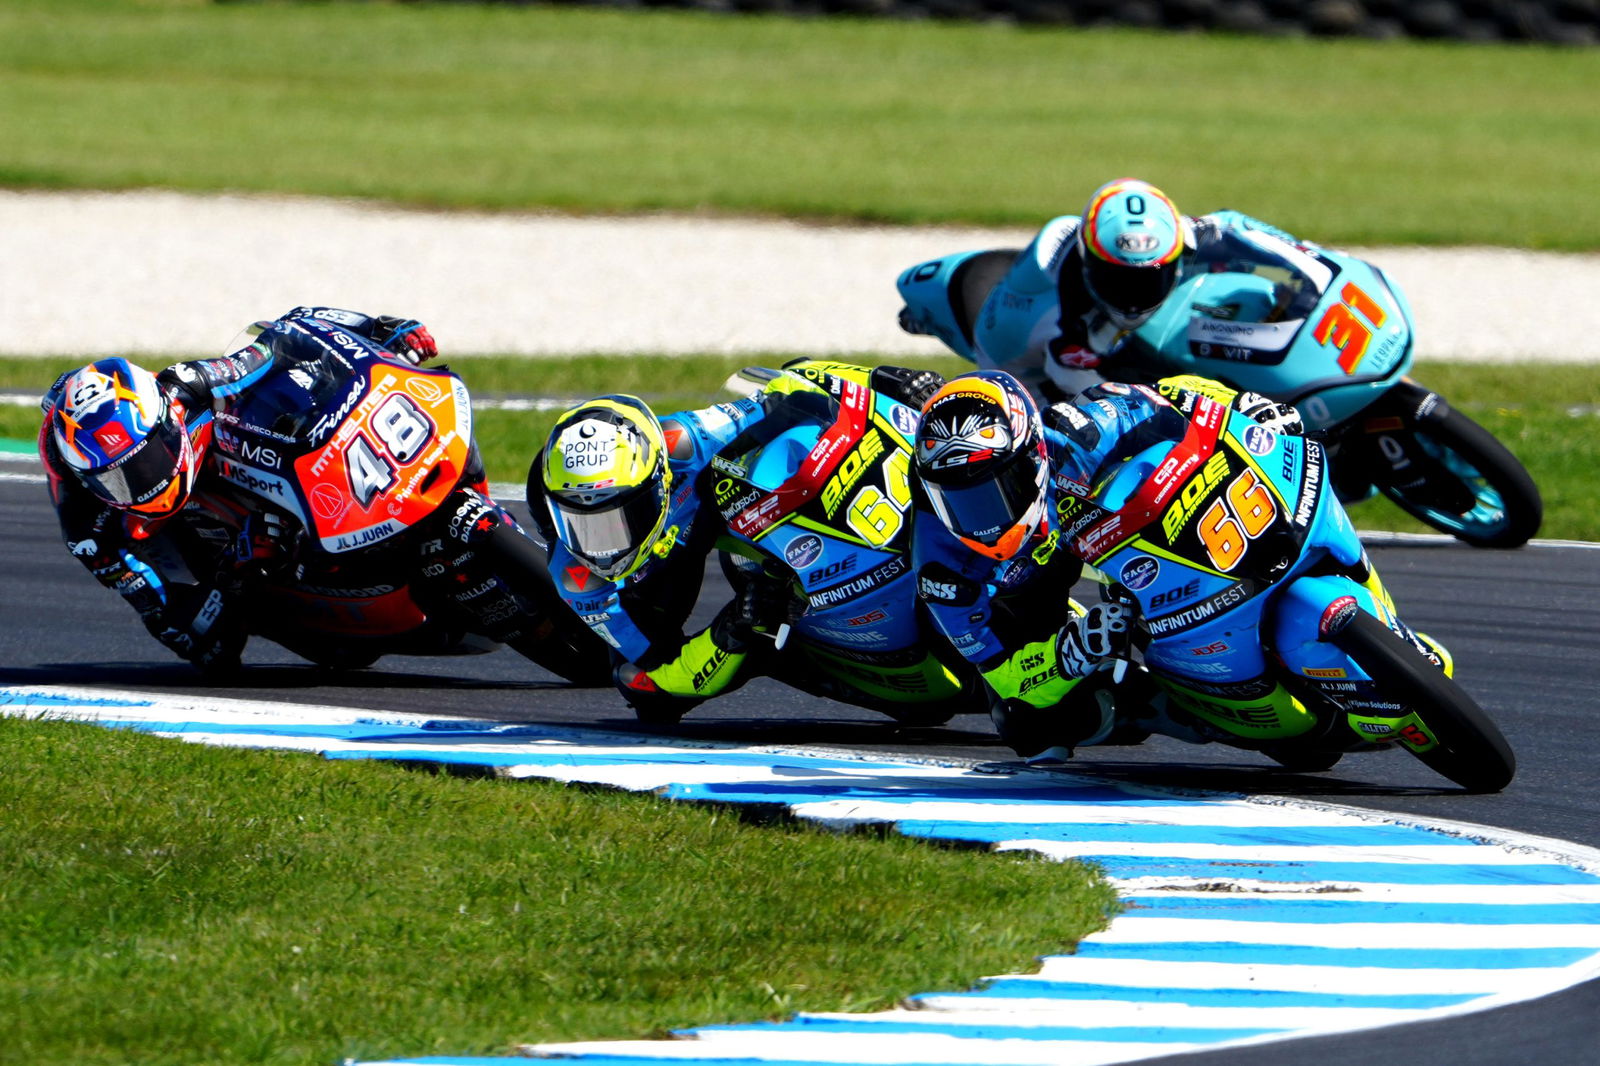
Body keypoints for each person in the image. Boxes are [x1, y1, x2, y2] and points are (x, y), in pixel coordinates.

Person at [910, 368, 1303, 761]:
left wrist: (1242, 404)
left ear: (1031, 456)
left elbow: (1168, 393)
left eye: (994, 490)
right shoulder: (941, 571)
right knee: (1025, 726)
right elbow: (999, 671)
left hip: (1114, 537)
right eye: (957, 500)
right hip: (1026, 593)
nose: (983, 520)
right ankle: (1162, 704)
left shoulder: (1073, 431)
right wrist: (1068, 652)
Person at [530, 362, 948, 724]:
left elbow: (792, 380)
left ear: (657, 481)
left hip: (703, 521)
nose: (603, 543)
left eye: (619, 518)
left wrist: (886, 380)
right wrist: (728, 632)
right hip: (658, 572)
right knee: (642, 687)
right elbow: (656, 666)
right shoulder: (579, 576)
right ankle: (817, 660)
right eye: (584, 524)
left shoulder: (688, 440)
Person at [38, 307, 442, 669]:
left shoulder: (186, 384)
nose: (139, 484)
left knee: (274, 396)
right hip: (206, 554)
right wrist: (230, 583)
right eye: (113, 478)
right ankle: (274, 574)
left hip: (239, 461)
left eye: (143, 463)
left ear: (164, 421)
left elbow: (286, 333)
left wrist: (376, 329)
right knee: (210, 647)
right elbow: (156, 608)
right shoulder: (86, 526)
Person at [915, 177, 1322, 403]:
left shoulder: (1180, 234)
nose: (1133, 294)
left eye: (1148, 278)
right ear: (1091, 265)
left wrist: (1314, 272)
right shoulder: (1064, 321)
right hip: (1028, 369)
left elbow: (1239, 228)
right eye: (1119, 279)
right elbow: (1085, 389)